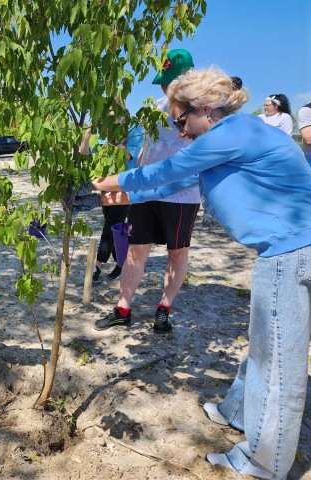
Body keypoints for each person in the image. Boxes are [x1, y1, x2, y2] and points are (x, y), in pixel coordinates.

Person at [94, 67, 311, 480]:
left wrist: (110, 181)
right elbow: (171, 183)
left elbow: (164, 171)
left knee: (278, 366)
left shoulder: (231, 134)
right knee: (266, 347)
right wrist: (127, 194)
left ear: (206, 110)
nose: (179, 130)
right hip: (288, 248)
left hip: (291, 252)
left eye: (180, 120)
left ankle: (265, 461)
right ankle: (238, 412)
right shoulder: (237, 135)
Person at [94, 49, 200, 334]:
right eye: (163, 82)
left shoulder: (202, 112)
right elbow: (141, 148)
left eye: (170, 81)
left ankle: (164, 309)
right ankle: (123, 309)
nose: (165, 88)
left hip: (180, 196)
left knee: (177, 253)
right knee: (135, 250)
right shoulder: (155, 107)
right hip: (145, 191)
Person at [79, 102, 144, 282]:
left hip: (125, 185)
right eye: (106, 112)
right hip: (105, 184)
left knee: (110, 225)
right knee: (117, 228)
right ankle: (122, 263)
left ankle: (97, 266)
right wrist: (88, 132)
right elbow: (85, 152)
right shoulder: (102, 131)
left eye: (113, 111)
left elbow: (129, 155)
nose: (110, 116)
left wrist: (118, 141)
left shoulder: (134, 128)